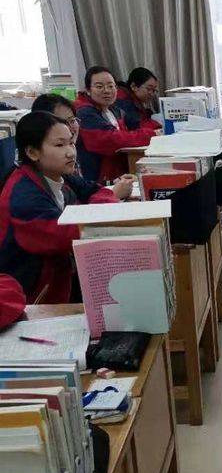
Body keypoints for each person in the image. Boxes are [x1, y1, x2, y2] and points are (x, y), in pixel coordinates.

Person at [0, 111, 121, 303]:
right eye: (59, 145)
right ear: (32, 153)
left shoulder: (58, 174)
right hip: (29, 300)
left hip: (62, 280)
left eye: (71, 142)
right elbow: (71, 234)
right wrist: (100, 207)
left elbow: (96, 190)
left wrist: (100, 204)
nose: (71, 152)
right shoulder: (24, 196)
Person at [31, 93, 135, 199]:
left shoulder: (71, 154)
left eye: (72, 120)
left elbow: (83, 188)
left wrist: (113, 183)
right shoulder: (33, 188)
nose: (69, 128)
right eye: (61, 123)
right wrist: (113, 195)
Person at [74, 65, 158, 182]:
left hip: (119, 175)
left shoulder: (114, 109)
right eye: (99, 86)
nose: (107, 91)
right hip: (97, 180)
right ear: (88, 90)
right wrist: (151, 135)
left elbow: (136, 125)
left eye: (111, 86)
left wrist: (158, 129)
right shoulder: (84, 112)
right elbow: (111, 140)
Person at [116, 67, 162, 135]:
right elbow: (135, 126)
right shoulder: (123, 100)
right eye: (149, 89)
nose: (152, 94)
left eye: (154, 90)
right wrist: (159, 126)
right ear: (134, 86)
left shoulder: (133, 98)